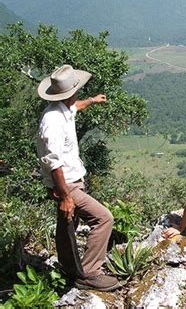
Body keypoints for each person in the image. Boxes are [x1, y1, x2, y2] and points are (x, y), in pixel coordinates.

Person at [36, 64, 119, 291]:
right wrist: (65, 196)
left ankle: (70, 270)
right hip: (66, 185)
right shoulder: (52, 121)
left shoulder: (64, 108)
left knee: (68, 224)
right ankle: (90, 273)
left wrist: (92, 100)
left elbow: (75, 109)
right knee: (103, 218)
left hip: (71, 182)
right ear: (71, 91)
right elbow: (53, 162)